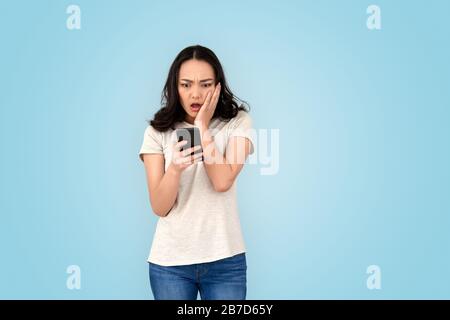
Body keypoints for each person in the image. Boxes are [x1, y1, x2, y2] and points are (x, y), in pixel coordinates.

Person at [138, 45, 255, 300]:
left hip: (226, 261)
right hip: (170, 264)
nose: (196, 94)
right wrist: (175, 169)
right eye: (186, 84)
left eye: (205, 84)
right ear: (175, 87)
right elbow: (159, 206)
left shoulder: (237, 123)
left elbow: (222, 181)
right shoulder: (157, 132)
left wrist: (202, 127)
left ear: (218, 87)